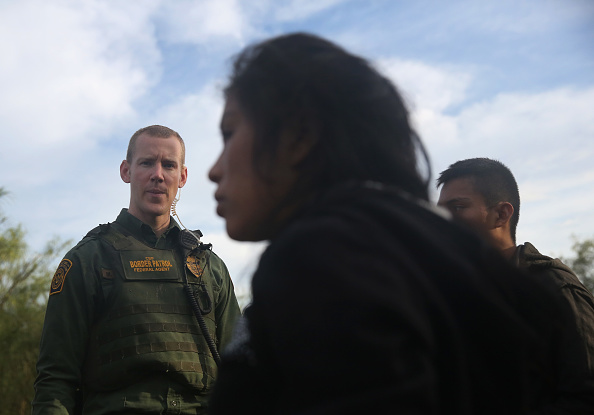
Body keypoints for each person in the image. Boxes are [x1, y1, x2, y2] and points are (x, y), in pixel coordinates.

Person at [206, 32, 568, 414]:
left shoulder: (323, 255)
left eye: (229, 133)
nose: (214, 169)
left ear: (299, 136)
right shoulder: (444, 254)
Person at [32, 125, 241, 414]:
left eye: (169, 165)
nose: (158, 174)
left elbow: (241, 375)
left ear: (182, 176)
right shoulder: (90, 259)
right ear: (126, 171)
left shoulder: (209, 267)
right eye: (147, 163)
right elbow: (55, 381)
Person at [437, 157, 594, 413]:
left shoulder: (554, 288)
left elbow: (586, 397)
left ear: (501, 214)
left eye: (456, 208)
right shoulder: (454, 293)